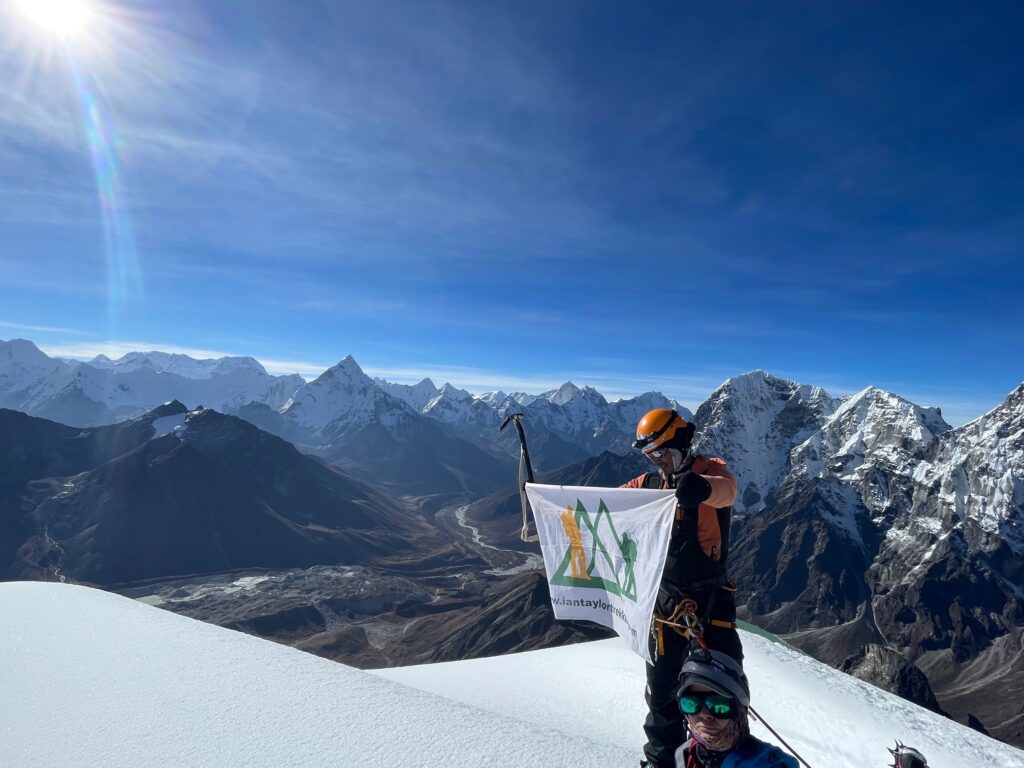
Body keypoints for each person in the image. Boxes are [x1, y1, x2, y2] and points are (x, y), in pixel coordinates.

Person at [623, 409, 741, 768]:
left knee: (721, 698)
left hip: (710, 608)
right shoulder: (648, 484)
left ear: (680, 443)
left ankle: (728, 760)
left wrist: (702, 489)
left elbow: (727, 492)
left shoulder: (710, 472)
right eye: (649, 455)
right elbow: (606, 504)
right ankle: (661, 763)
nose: (656, 461)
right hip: (664, 611)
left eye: (660, 452)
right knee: (661, 697)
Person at [674, 647, 798, 768]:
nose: (704, 714)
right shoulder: (685, 755)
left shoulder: (771, 763)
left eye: (719, 706)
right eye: (690, 704)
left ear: (740, 712)